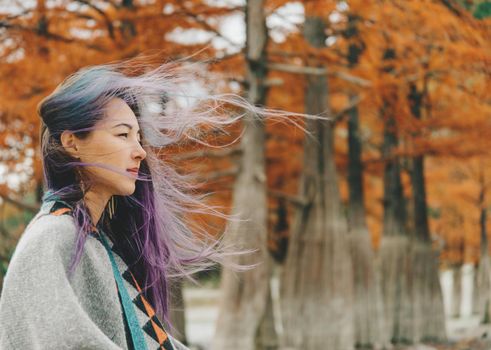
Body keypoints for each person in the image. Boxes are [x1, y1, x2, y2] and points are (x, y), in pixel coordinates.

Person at [0, 57, 258, 349]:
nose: (140, 152)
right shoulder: (53, 236)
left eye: (138, 138)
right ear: (72, 142)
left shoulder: (95, 241)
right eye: (122, 135)